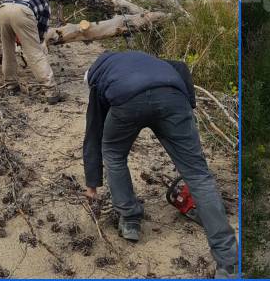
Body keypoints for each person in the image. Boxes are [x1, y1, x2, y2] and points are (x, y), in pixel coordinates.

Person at [82, 50, 238, 278]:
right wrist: (189, 108)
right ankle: (229, 263)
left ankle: (129, 220)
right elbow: (181, 67)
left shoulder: (99, 77)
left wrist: (92, 184)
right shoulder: (144, 60)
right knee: (197, 175)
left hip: (127, 101)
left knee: (114, 153)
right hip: (173, 97)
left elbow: (94, 132)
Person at [0, 0, 60, 104]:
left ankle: (10, 85)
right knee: (34, 52)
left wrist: (20, 37)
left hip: (2, 10)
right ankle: (50, 90)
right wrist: (38, 42)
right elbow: (41, 28)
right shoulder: (44, 3)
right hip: (22, 11)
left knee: (7, 50)